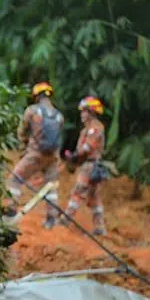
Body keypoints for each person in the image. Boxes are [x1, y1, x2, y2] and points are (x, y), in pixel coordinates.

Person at [5, 82, 64, 229]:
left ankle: (11, 212)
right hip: (52, 157)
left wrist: (24, 147)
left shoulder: (32, 111)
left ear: (36, 96)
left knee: (15, 180)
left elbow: (22, 132)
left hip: (35, 154)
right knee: (50, 187)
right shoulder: (59, 116)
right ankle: (51, 220)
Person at [63, 96, 107, 235]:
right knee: (94, 198)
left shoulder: (95, 128)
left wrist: (75, 155)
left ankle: (66, 219)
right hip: (88, 165)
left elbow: (88, 148)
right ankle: (99, 227)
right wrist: (73, 158)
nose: (82, 114)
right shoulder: (87, 129)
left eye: (84, 111)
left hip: (90, 166)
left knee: (78, 192)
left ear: (91, 112)